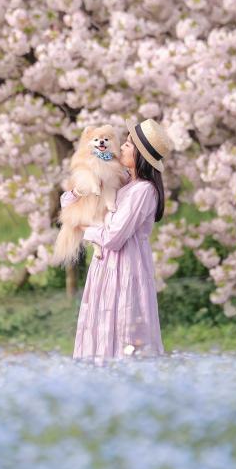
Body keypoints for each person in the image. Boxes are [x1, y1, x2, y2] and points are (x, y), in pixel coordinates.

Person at [60, 117, 174, 363]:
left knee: (123, 326)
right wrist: (80, 191)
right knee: (101, 327)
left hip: (126, 269)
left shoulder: (143, 191)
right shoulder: (122, 183)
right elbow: (69, 203)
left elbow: (113, 238)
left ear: (141, 155)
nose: (121, 147)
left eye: (128, 145)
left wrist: (84, 227)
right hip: (106, 269)